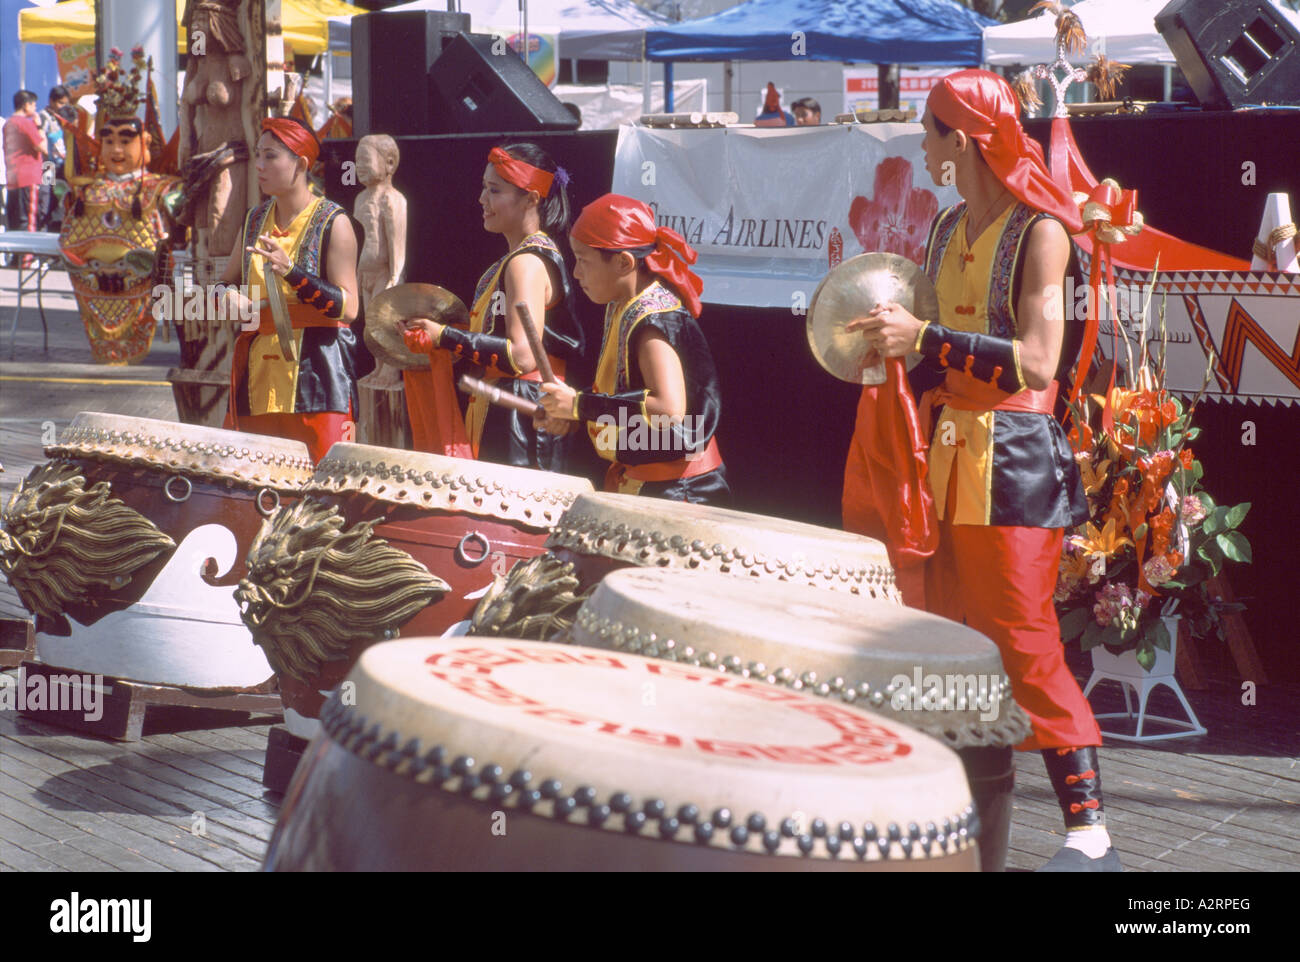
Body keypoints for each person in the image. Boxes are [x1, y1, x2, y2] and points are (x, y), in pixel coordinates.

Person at [845, 69, 1118, 872]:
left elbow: (1038, 363)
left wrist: (922, 340)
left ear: (959, 139)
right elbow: (929, 348)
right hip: (950, 449)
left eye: (928, 131)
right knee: (944, 631)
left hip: (1017, 457)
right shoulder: (946, 227)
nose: (921, 145)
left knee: (1025, 641)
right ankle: (953, 809)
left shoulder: (1042, 231)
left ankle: (1090, 832)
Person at [400, 142, 584, 472]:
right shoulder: (511, 262)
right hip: (508, 404)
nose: (482, 200)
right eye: (484, 188)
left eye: (494, 190)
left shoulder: (525, 263)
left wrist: (444, 337)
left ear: (531, 199)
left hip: (522, 411)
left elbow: (523, 355)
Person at [537, 193, 729, 504]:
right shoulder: (625, 304)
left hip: (680, 493)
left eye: (583, 260)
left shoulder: (654, 320)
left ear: (624, 262)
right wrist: (575, 413)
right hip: (652, 485)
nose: (576, 273)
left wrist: (580, 405)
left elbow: (668, 409)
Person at [217, 116, 361, 462]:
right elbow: (223, 282)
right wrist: (226, 297)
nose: (259, 166)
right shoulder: (253, 220)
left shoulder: (334, 222)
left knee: (319, 482)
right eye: (258, 155)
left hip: (318, 374)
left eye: (270, 156)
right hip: (258, 373)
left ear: (301, 164)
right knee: (256, 479)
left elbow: (350, 307)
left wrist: (293, 272)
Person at [4, 91, 47, 247]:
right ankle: (27, 257)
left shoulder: (8, 123)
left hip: (13, 178)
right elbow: (43, 147)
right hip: (29, 178)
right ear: (26, 105)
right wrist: (40, 127)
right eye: (34, 105)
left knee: (15, 220)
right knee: (29, 220)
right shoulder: (26, 123)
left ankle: (17, 258)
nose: (35, 109)